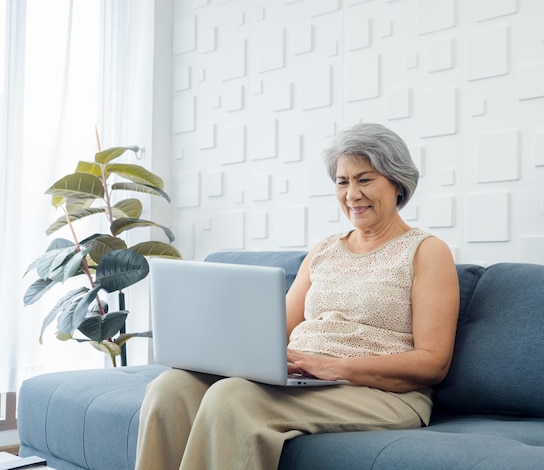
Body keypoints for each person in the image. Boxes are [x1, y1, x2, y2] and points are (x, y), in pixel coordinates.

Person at [135, 122, 460, 469]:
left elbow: (433, 362)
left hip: (383, 393)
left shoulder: (426, 251)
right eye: (342, 181)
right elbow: (273, 333)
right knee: (170, 388)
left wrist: (336, 366)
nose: (352, 194)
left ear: (398, 183)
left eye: (364, 180)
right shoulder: (324, 250)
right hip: (306, 381)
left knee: (233, 398)